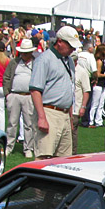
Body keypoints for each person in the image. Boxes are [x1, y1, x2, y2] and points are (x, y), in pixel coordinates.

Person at [29, 25, 78, 159]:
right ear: (60, 42)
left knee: (64, 159)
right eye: (70, 46)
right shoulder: (44, 60)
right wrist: (42, 117)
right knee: (44, 157)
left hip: (64, 114)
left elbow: (69, 88)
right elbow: (35, 90)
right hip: (49, 111)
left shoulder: (69, 61)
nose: (72, 49)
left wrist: (70, 116)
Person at [3, 38, 37, 158]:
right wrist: (7, 94)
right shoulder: (14, 62)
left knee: (29, 123)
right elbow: (7, 77)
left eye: (27, 52)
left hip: (29, 96)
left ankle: (28, 148)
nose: (24, 54)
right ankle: (9, 146)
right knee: (12, 123)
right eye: (23, 52)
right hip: (14, 95)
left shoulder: (36, 63)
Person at [72, 36, 96, 153]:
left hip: (76, 108)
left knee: (73, 132)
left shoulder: (81, 72)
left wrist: (83, 107)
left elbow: (86, 91)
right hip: (66, 108)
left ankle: (72, 153)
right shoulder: (90, 57)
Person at [89, 45, 105, 127]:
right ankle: (91, 120)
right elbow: (98, 74)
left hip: (103, 84)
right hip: (98, 84)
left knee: (101, 104)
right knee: (95, 104)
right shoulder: (99, 61)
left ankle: (99, 121)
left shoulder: (103, 61)